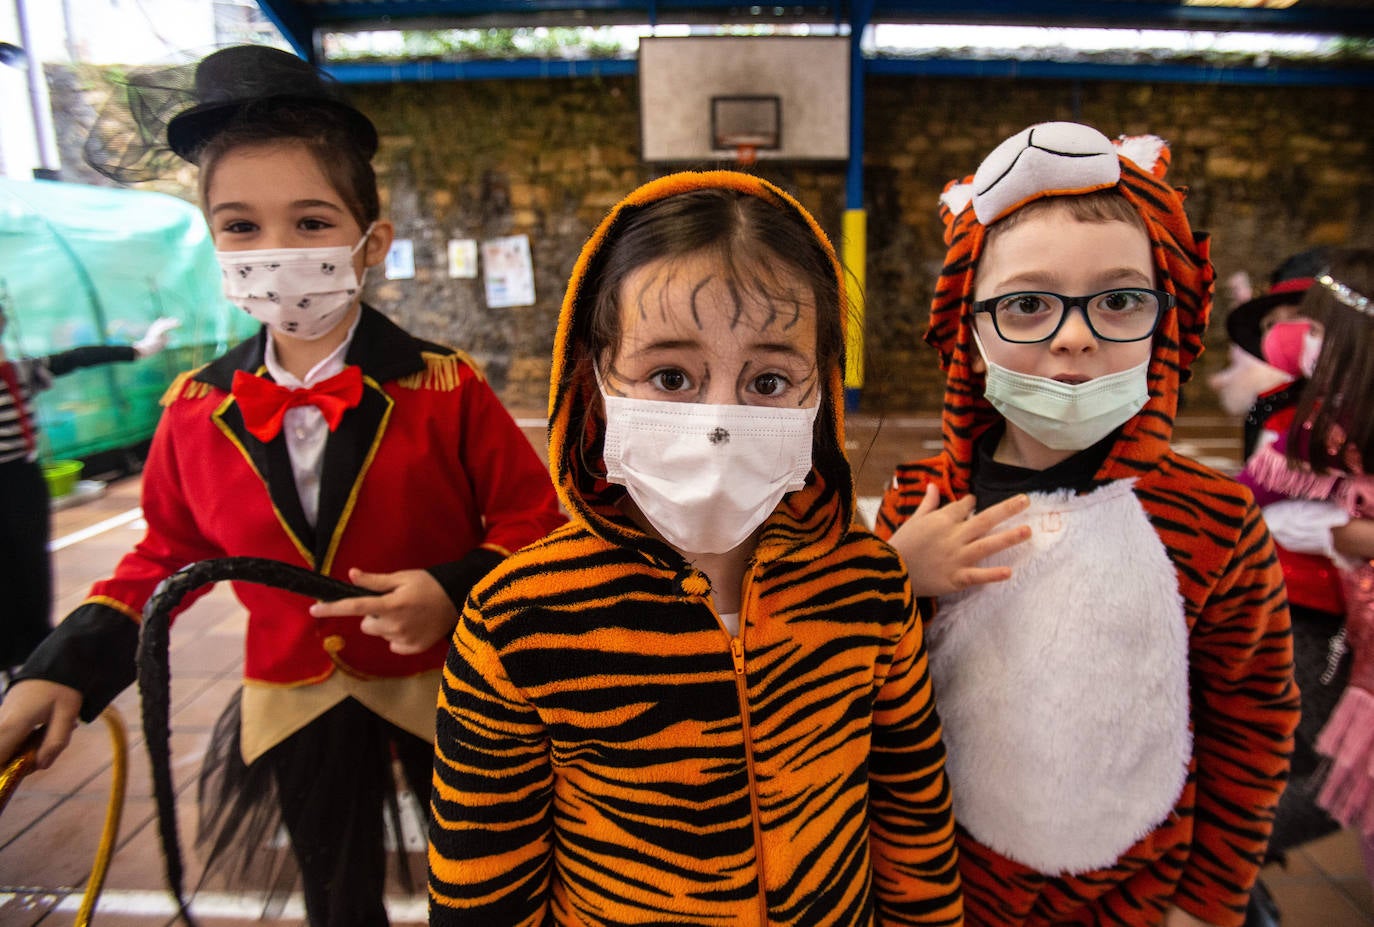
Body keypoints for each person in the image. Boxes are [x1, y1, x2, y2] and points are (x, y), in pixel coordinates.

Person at [0, 45, 564, 927]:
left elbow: (536, 523)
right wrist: (65, 666)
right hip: (291, 692)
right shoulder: (194, 407)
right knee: (332, 890)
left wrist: (454, 591)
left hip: (445, 683)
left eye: (309, 223)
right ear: (215, 241)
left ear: (370, 242)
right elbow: (167, 553)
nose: (275, 252)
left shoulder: (446, 386)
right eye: (241, 227)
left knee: (484, 879)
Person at [427, 171, 963, 926]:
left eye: (770, 379)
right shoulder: (517, 621)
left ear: (822, 397)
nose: (719, 419)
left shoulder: (871, 589)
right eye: (671, 375)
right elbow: (481, 893)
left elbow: (914, 829)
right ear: (595, 380)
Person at [874, 121, 1298, 927]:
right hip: (951, 894)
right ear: (967, 326)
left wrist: (1208, 904)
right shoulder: (919, 510)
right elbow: (871, 708)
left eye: (1117, 300)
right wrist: (891, 576)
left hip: (1138, 896)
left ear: (1163, 316)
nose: (1075, 334)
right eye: (1028, 304)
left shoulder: (1217, 522)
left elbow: (1252, 718)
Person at [1237, 247, 1374, 882]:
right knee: (1320, 768)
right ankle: (1224, 852)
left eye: (1314, 328)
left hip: (1340, 619)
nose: (1296, 341)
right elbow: (1258, 497)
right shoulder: (1301, 417)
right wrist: (1336, 530)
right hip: (1309, 614)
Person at [0, 305, 178, 673]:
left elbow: (76, 358)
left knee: (30, 562)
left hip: (21, 478)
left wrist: (139, 349)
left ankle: (33, 652)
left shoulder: (17, 371)